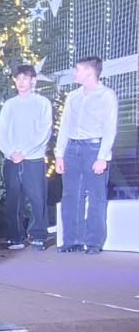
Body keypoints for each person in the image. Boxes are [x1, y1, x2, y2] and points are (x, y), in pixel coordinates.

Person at [54, 55, 118, 254]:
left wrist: (102, 157)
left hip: (94, 148)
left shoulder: (106, 95)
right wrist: (59, 154)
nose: (74, 73)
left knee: (96, 197)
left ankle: (93, 242)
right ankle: (72, 240)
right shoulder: (73, 96)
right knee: (71, 195)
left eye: (77, 70)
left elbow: (110, 127)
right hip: (72, 148)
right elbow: (64, 126)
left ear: (89, 72)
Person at [0, 64, 53, 253]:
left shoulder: (42, 103)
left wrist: (25, 152)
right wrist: (10, 151)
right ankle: (15, 236)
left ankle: (38, 236)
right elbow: (1, 131)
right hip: (12, 159)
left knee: (37, 198)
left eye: (25, 78)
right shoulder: (10, 105)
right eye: (18, 79)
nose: (21, 82)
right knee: (13, 199)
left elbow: (44, 131)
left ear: (32, 80)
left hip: (33, 158)